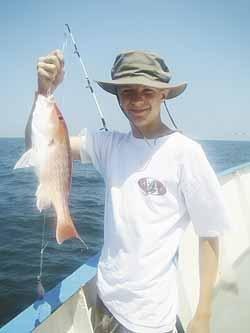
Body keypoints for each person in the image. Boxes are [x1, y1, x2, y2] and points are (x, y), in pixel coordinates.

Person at [28, 49, 231, 333]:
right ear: (118, 97)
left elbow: (209, 233)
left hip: (150, 317)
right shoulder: (109, 145)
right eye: (127, 91)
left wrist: (204, 313)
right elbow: (42, 145)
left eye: (147, 91)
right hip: (106, 301)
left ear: (164, 94)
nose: (136, 100)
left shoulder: (186, 153)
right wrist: (43, 92)